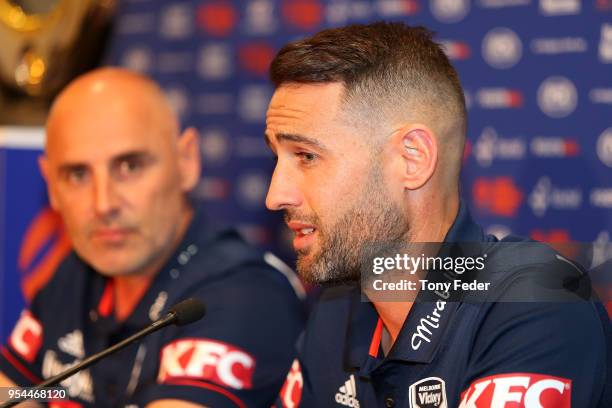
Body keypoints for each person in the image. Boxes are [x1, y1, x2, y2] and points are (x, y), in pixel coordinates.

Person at [264, 22, 611, 407]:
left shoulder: (537, 302)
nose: (276, 195)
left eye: (307, 156)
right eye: (276, 157)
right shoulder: (335, 311)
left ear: (413, 159)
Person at [0, 68, 305, 407]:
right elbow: (14, 392)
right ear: (51, 186)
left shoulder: (246, 294)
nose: (103, 204)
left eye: (130, 166)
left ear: (186, 161)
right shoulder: (75, 272)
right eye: (77, 174)